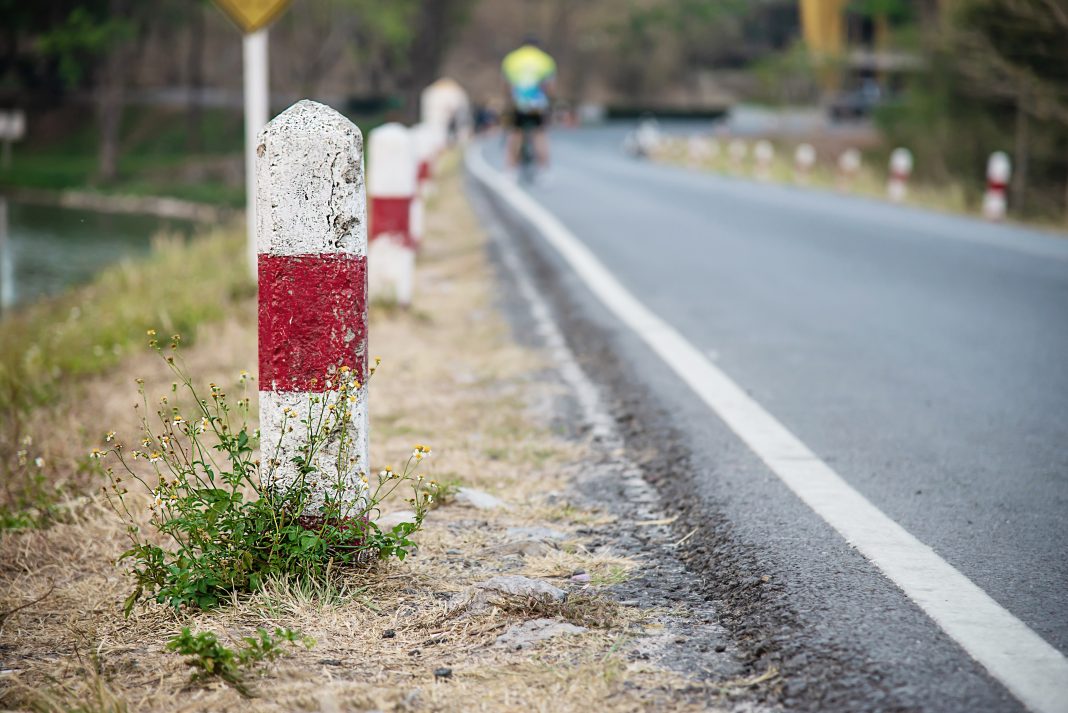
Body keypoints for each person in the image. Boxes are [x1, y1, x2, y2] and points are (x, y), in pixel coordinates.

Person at [501, 36, 556, 179]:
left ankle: (510, 170)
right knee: (539, 135)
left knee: (515, 134)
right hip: (537, 103)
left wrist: (509, 100)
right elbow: (550, 87)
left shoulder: (512, 59)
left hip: (518, 102)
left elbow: (506, 85)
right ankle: (544, 171)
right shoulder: (545, 60)